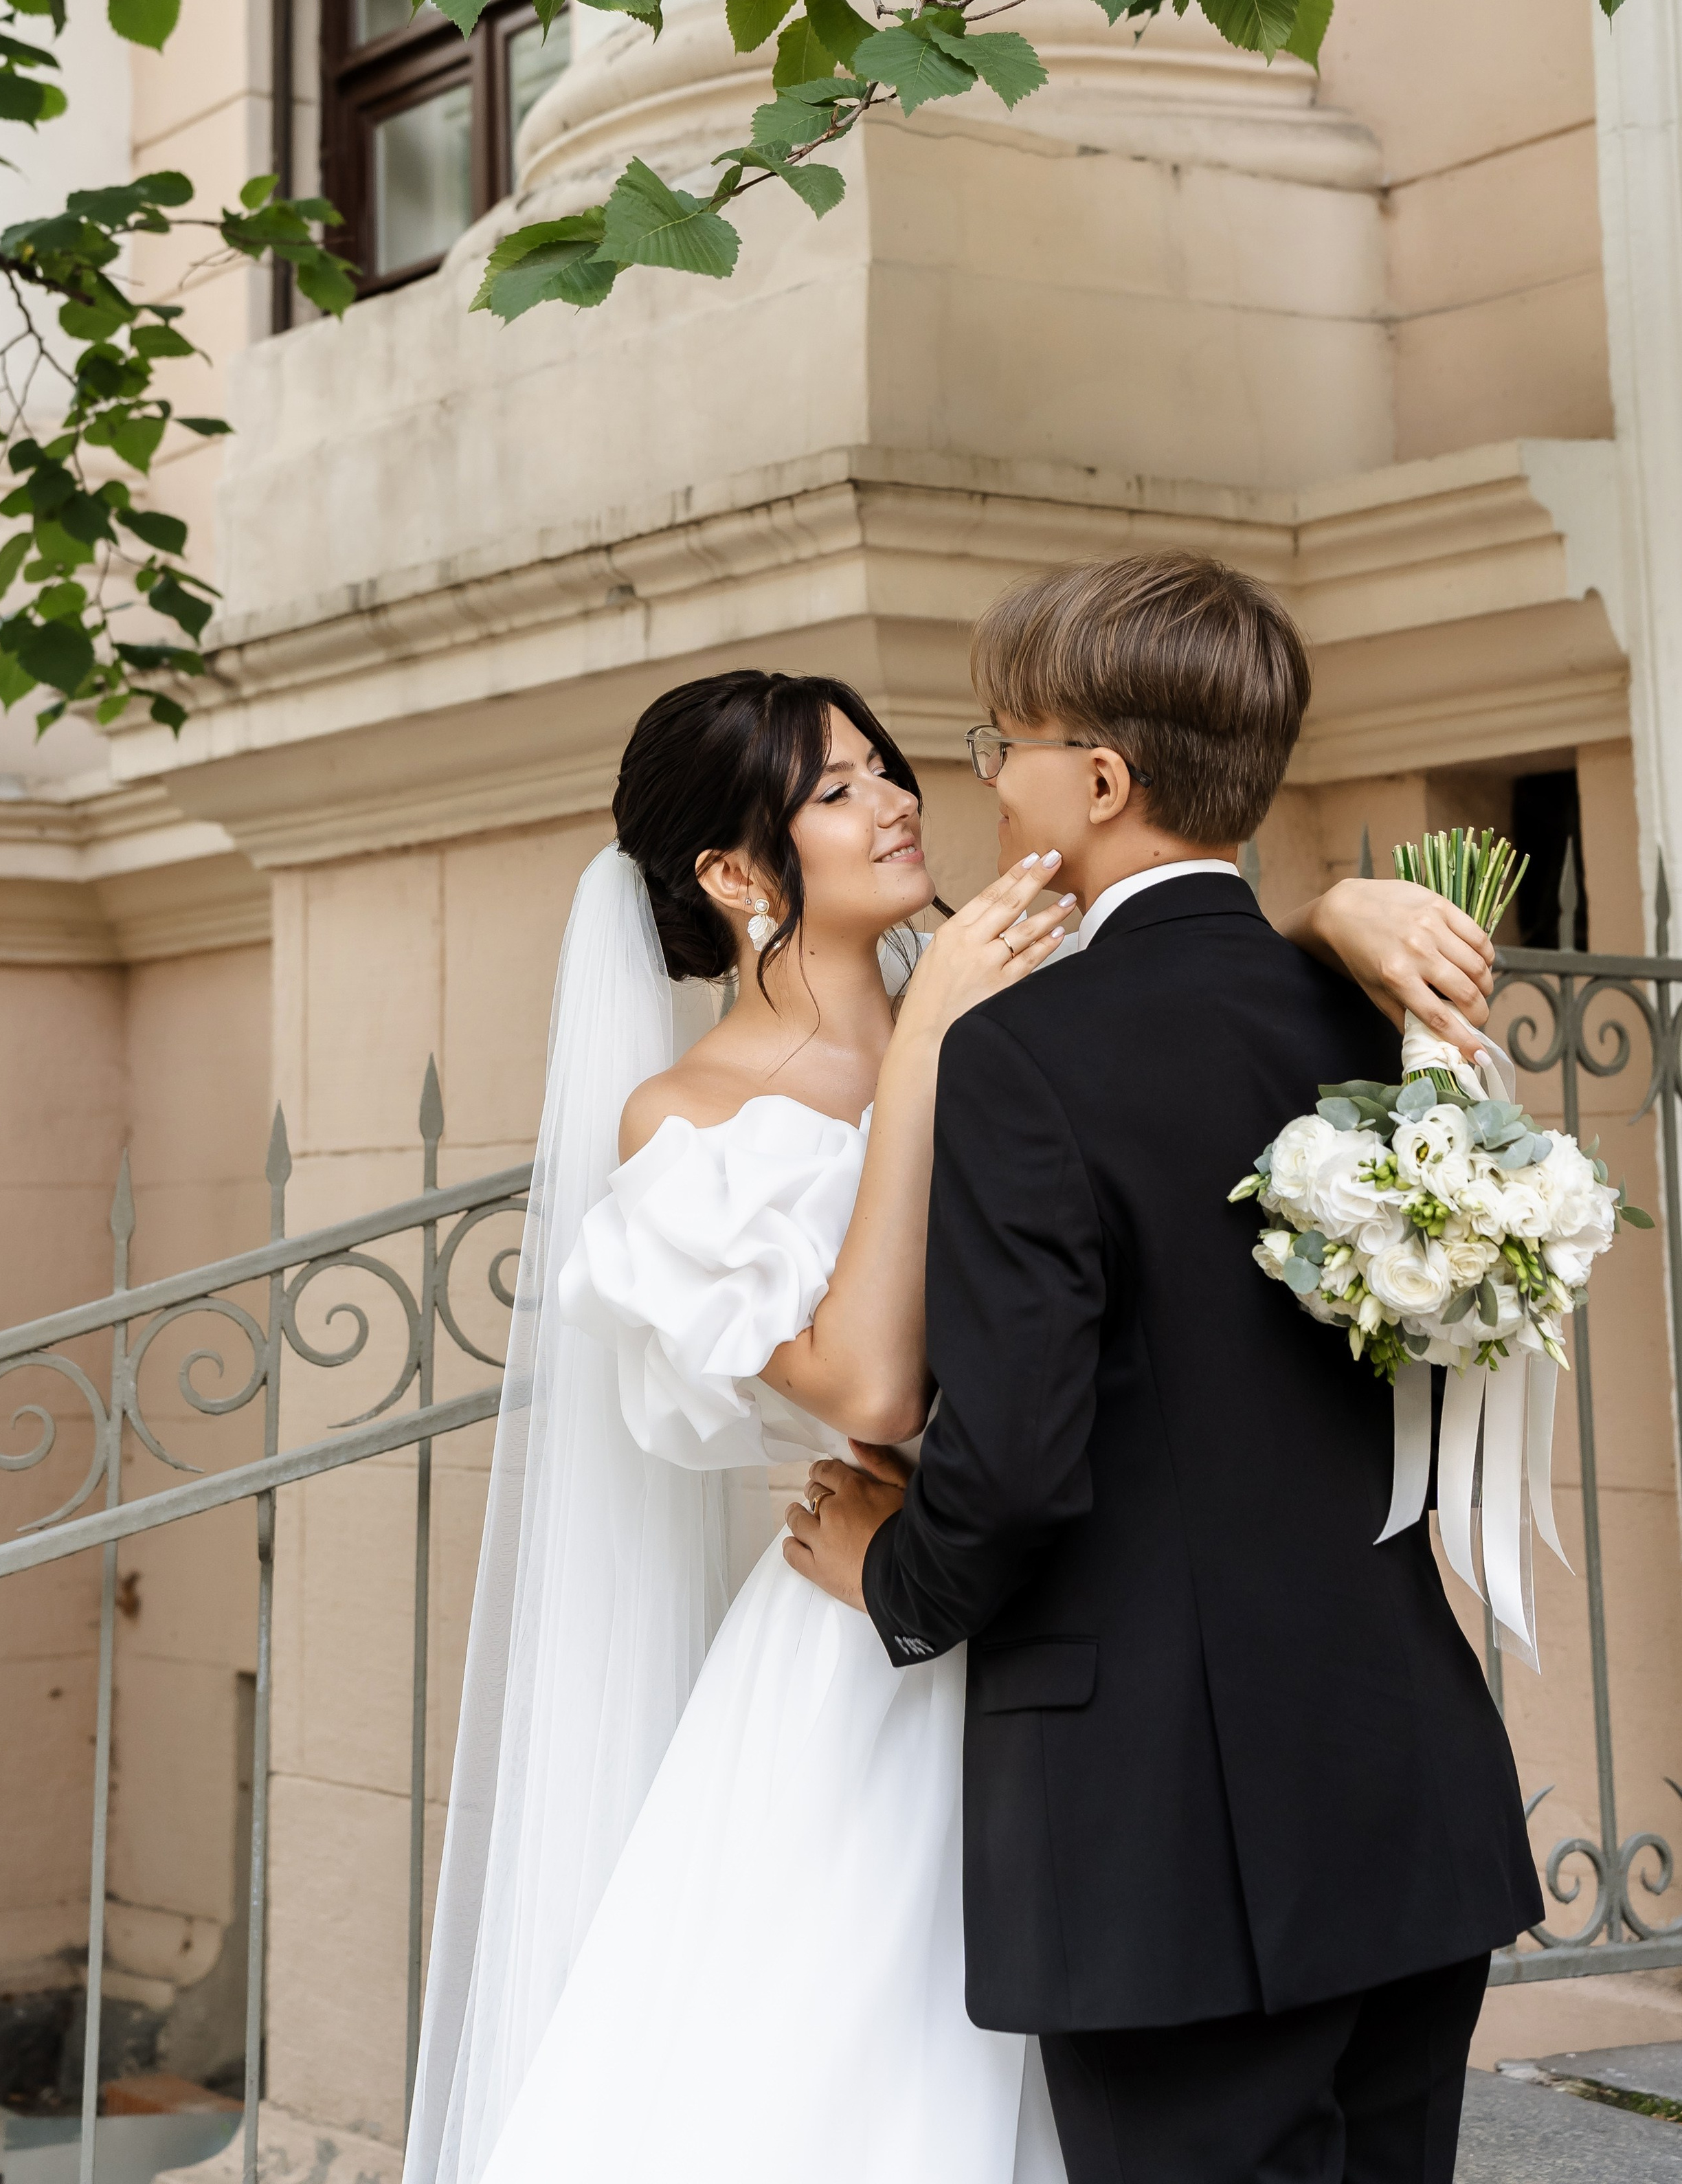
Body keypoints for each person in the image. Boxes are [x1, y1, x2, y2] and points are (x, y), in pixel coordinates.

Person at [406, 638, 1505, 2184]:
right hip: (877, 1633)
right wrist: (923, 1049)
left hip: (1105, 1623)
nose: (897, 802)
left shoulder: (1032, 1006)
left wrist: (1326, 912)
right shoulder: (689, 1118)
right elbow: (868, 1384)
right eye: (834, 789)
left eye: (887, 767)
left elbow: (1183, 989)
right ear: (732, 872)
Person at [788, 554, 1542, 2184]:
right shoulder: (1380, 1027)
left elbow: (1013, 1462)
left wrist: (889, 1575)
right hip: (1408, 1786)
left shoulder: (1020, 1053)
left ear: (1100, 781)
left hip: (1173, 1844)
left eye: (999, 745)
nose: (983, 785)